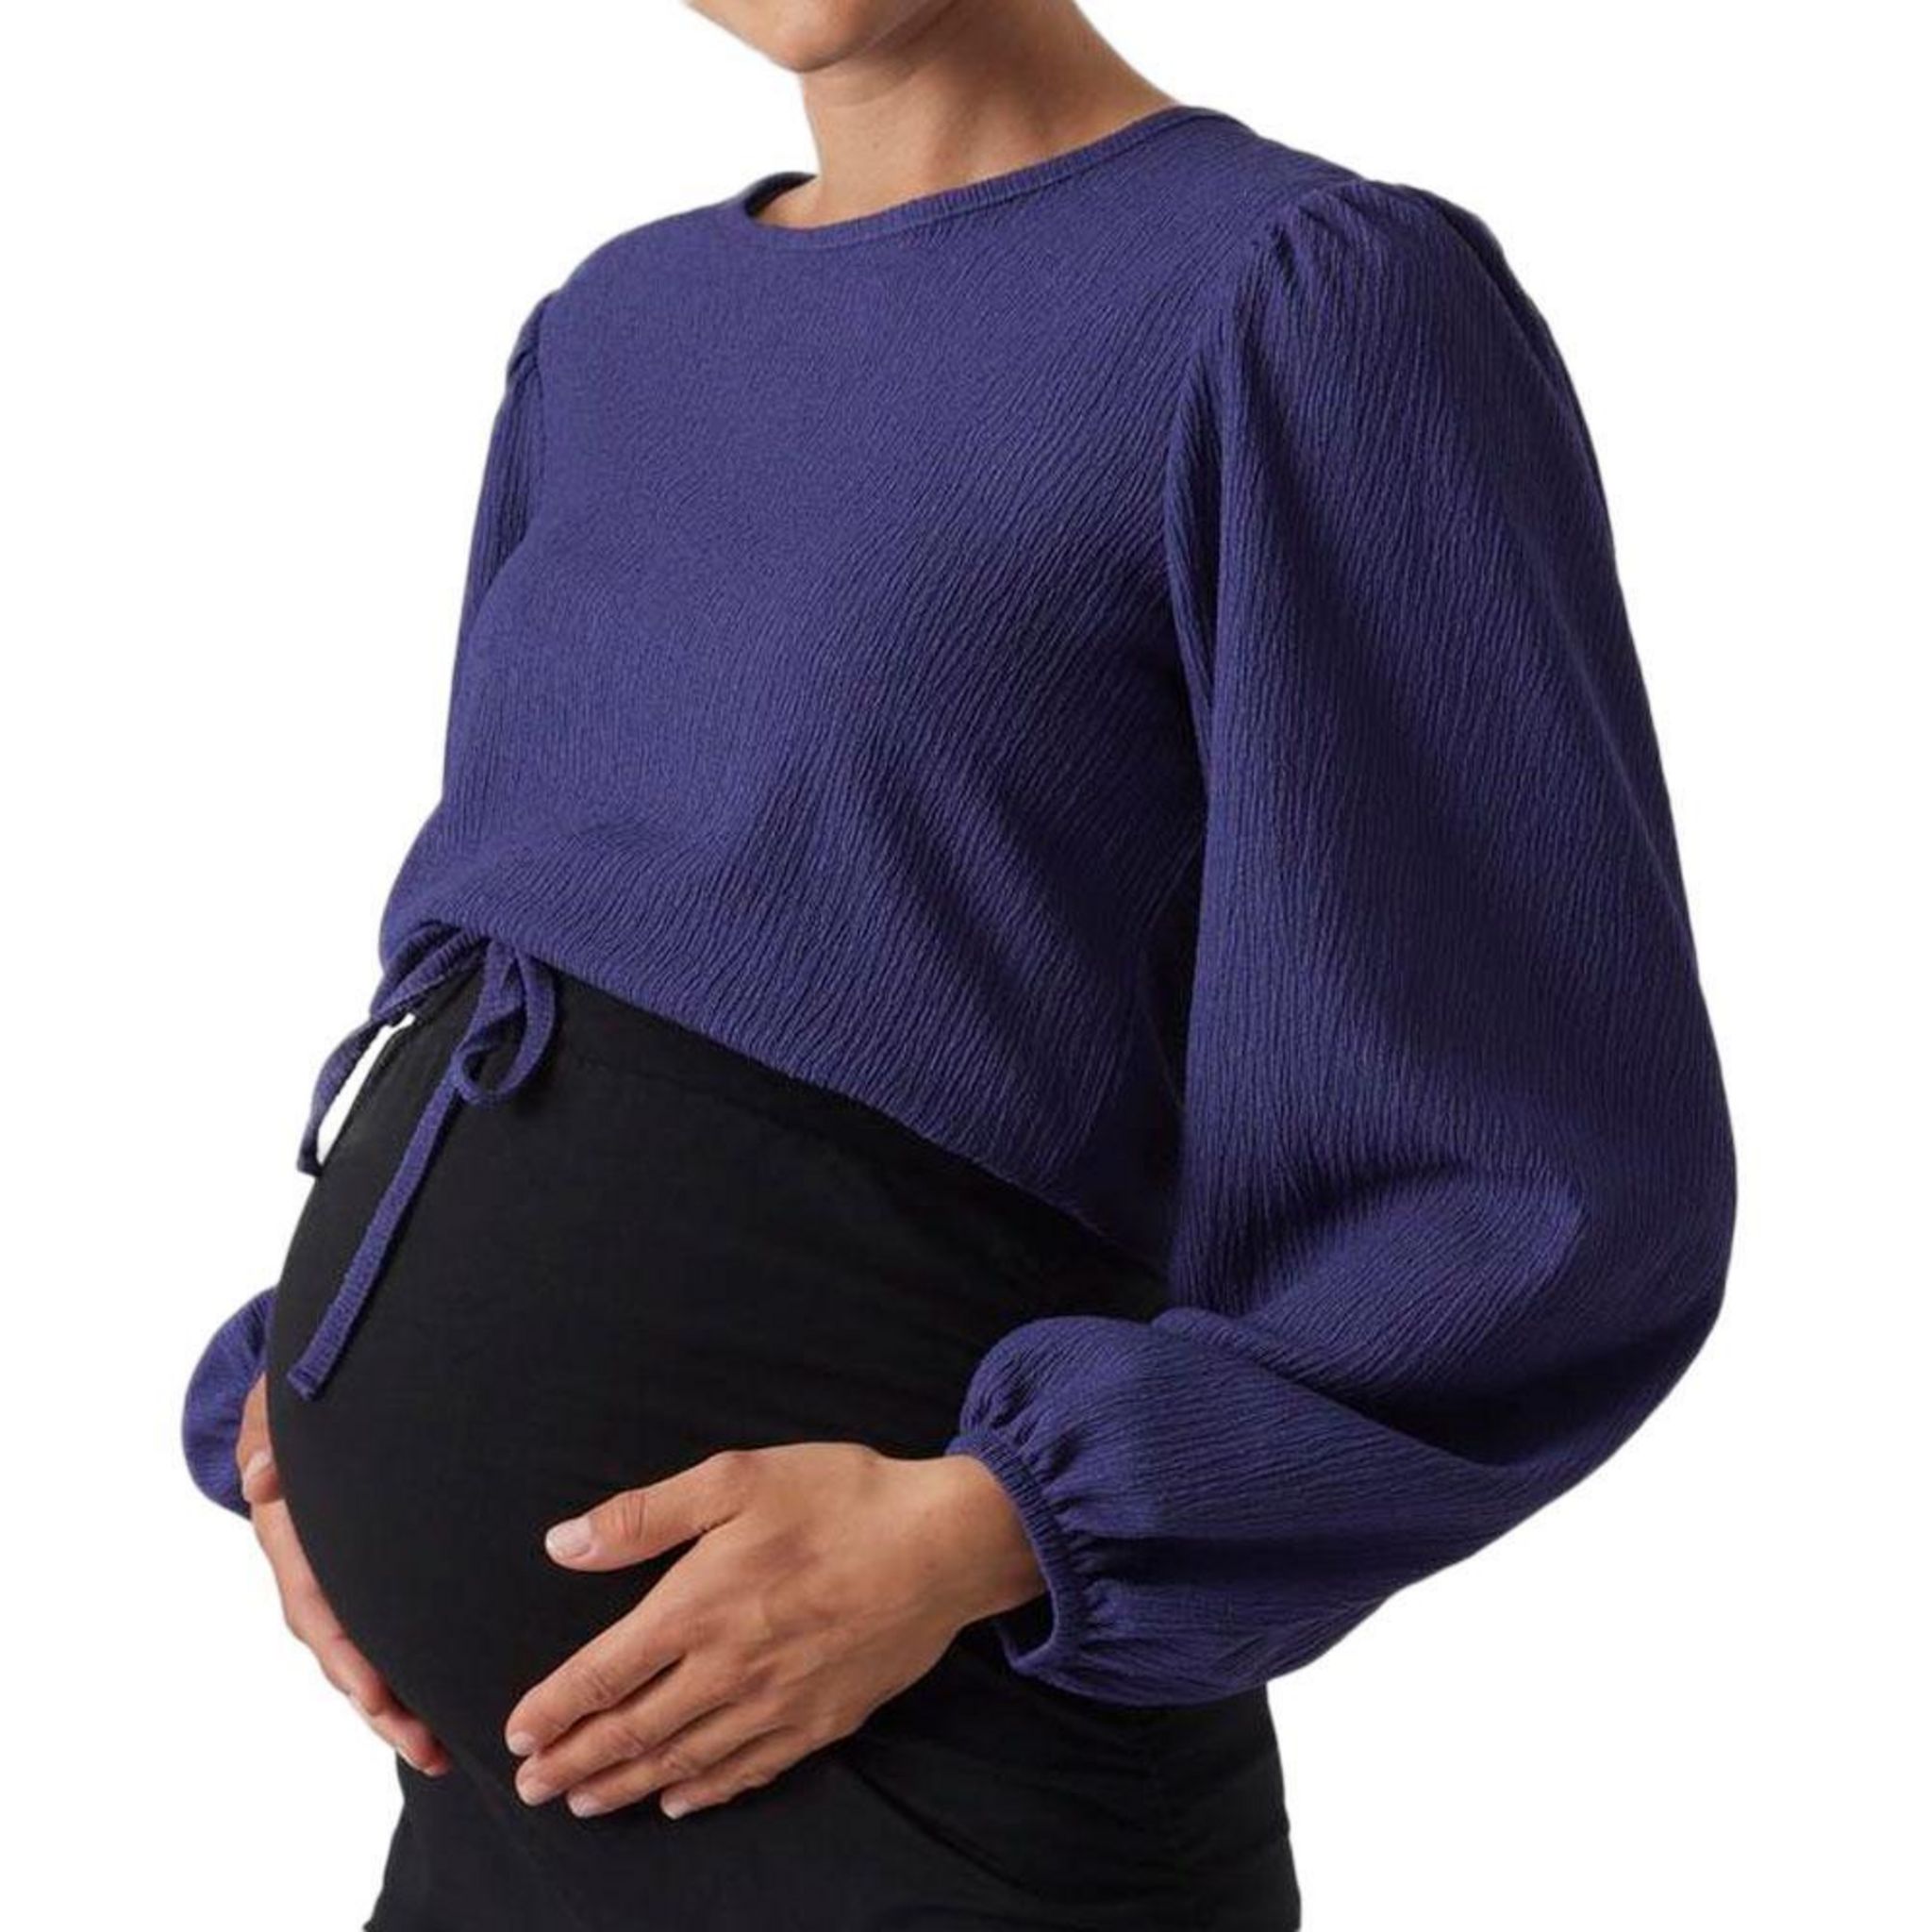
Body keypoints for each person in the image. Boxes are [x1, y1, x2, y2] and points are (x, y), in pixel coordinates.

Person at [179, 2, 1737, 1926]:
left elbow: (1546, 1175)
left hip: (926, 1785)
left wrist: (983, 1525)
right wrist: (318, 1394)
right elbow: (541, 942)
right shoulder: (611, 332)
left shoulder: (1296, 300)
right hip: (495, 1814)